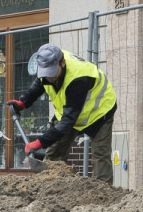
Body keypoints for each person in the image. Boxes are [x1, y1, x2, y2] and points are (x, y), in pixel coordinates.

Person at [8, 43, 118, 185]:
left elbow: (68, 121)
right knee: (53, 154)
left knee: (100, 156)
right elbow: (39, 83)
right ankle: (48, 187)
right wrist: (23, 103)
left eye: (52, 73)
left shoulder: (78, 78)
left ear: (62, 63)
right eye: (45, 74)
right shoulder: (47, 67)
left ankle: (103, 195)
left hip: (99, 112)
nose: (49, 78)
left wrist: (39, 142)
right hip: (69, 113)